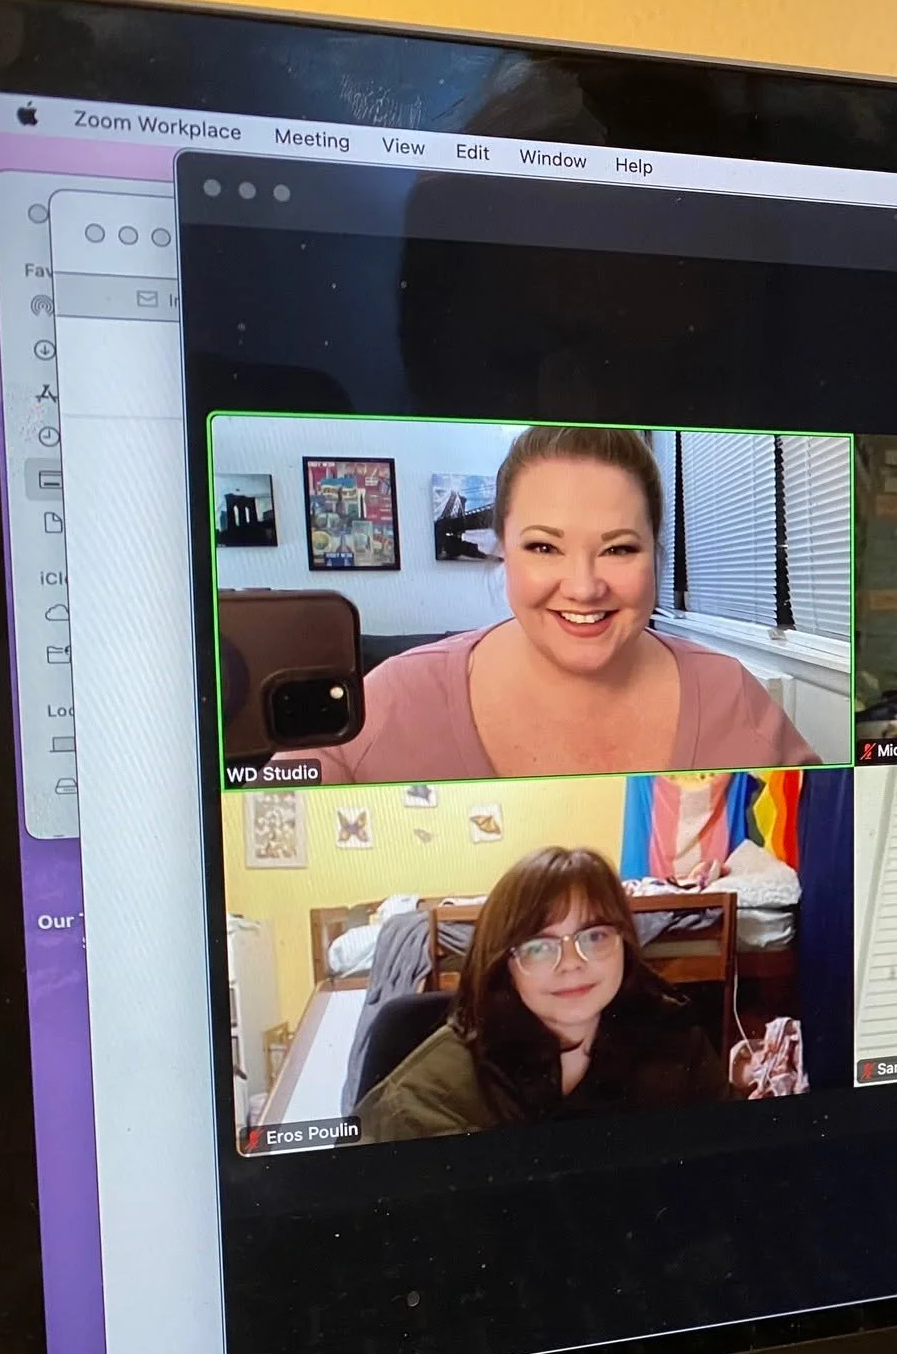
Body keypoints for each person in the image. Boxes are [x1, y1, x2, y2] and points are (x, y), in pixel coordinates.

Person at [300, 427, 818, 782]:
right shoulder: (392, 700)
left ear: (655, 551)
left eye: (619, 549)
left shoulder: (730, 696)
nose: (584, 587)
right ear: (502, 548)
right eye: (544, 547)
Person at [354, 846, 733, 1140]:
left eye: (595, 936)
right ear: (504, 963)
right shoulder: (426, 1101)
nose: (571, 963)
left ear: (624, 944)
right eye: (538, 946)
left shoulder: (677, 1042)